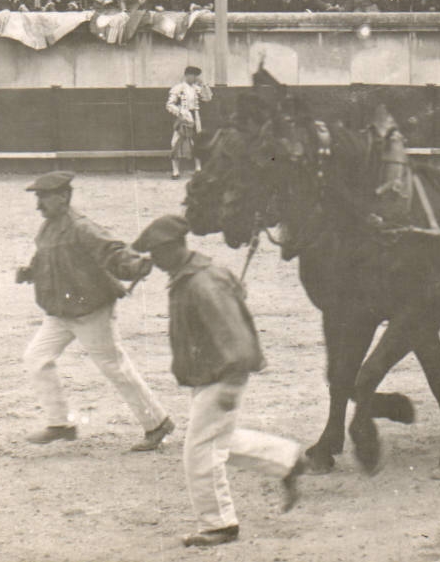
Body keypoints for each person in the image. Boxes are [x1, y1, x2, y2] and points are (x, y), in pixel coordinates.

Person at [131, 215, 305, 547]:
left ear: (171, 249)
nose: (152, 260)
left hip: (221, 376)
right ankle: (287, 459)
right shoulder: (195, 276)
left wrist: (229, 382)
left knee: (199, 451)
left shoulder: (201, 283)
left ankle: (219, 524)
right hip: (213, 373)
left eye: (155, 253)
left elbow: (235, 336)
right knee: (218, 441)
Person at [17, 172, 174, 450]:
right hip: (60, 312)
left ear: (63, 197)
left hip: (90, 311)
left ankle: (157, 423)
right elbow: (45, 258)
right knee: (36, 357)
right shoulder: (48, 228)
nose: (38, 205)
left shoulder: (82, 227)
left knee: (114, 367)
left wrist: (134, 265)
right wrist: (31, 271)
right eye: (37, 198)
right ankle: (60, 424)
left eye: (43, 198)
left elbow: (113, 251)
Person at [166, 65, 212, 180]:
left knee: (197, 140)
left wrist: (204, 84)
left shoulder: (197, 88)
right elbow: (169, 104)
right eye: (192, 75)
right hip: (183, 117)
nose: (195, 78)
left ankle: (198, 169)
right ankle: (175, 171)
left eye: (196, 75)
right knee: (176, 142)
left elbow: (208, 98)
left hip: (195, 116)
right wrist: (181, 112)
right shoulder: (179, 87)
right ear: (186, 75)